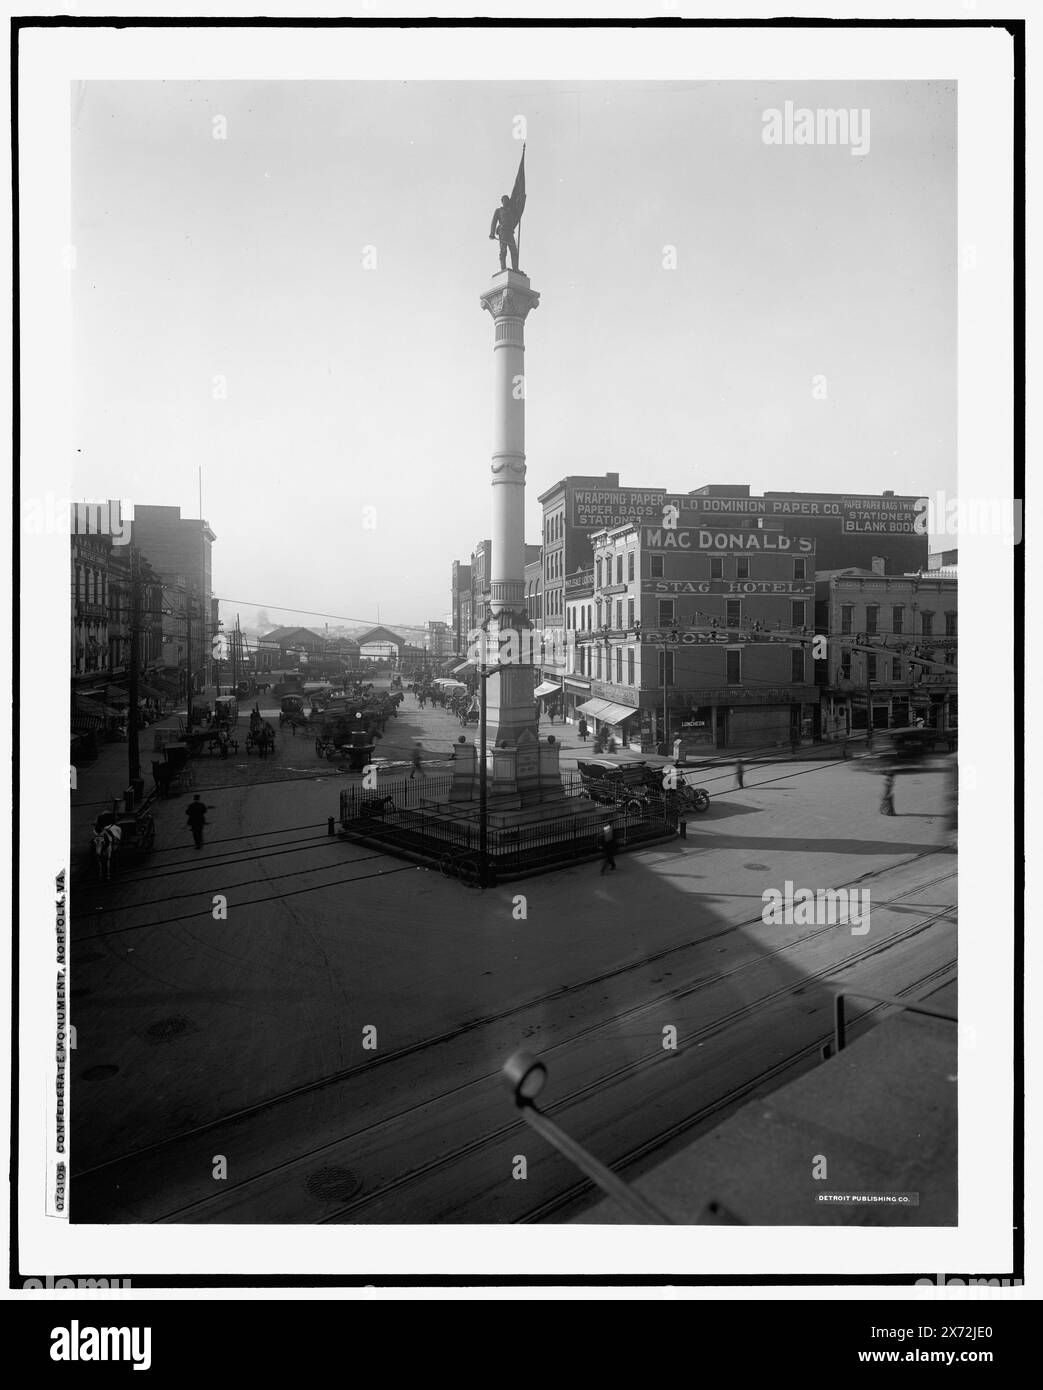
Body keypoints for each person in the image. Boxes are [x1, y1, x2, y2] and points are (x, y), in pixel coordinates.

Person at [489, 193, 520, 272]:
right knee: (503, 250)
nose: (506, 201)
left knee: (514, 250)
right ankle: (503, 268)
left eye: (507, 200)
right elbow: (494, 222)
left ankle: (515, 268)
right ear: (502, 201)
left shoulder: (511, 211)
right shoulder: (499, 210)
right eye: (504, 200)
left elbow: (514, 220)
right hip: (502, 232)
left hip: (510, 232)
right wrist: (492, 233)